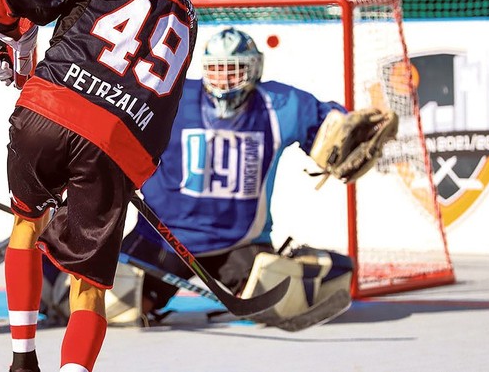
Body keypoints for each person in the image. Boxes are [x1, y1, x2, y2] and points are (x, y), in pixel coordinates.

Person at [0, 0, 203, 370]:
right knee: (88, 285)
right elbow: (162, 110)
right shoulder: (188, 15)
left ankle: (22, 361)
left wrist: (11, 36)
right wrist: (127, 174)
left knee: (26, 224)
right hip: (116, 144)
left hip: (46, 112)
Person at [120, 26, 363, 331]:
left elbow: (330, 125)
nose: (224, 79)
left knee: (319, 284)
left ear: (255, 68)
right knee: (106, 303)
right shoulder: (172, 98)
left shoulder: (278, 103)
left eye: (234, 70)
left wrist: (350, 132)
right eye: (216, 69)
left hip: (240, 244)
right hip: (163, 239)